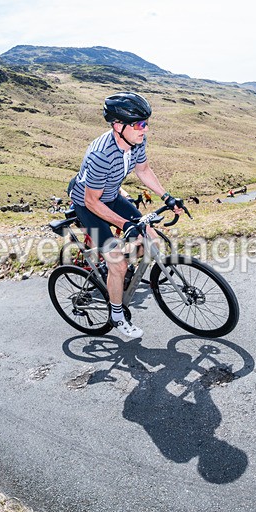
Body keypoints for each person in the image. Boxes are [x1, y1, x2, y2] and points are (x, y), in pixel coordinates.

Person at [68, 92, 183, 339]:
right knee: (118, 262)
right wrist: (124, 224)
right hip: (89, 204)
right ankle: (117, 314)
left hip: (110, 196)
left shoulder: (136, 141)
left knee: (151, 239)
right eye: (140, 124)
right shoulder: (101, 154)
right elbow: (92, 201)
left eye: (146, 123)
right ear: (118, 126)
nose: (145, 129)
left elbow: (143, 170)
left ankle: (118, 271)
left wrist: (167, 197)